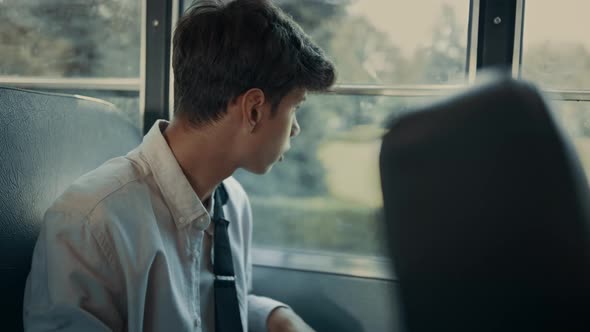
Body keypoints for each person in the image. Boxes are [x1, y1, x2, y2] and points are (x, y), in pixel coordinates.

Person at [22, 0, 336, 331]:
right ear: (254, 110)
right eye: (295, 107)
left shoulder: (233, 203)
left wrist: (273, 317)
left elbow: (203, 303)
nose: (296, 128)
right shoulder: (91, 223)